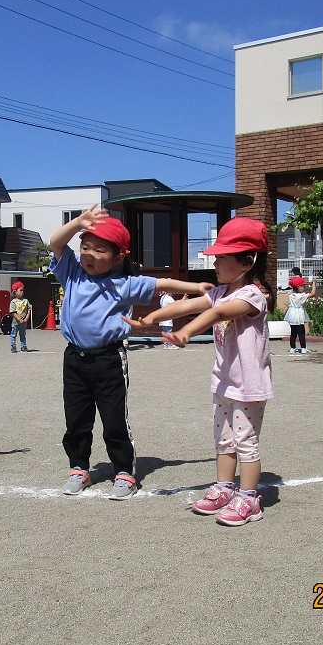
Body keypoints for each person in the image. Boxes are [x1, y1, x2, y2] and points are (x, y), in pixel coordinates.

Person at [50, 205, 211, 500]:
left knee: (114, 418)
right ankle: (78, 467)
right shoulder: (71, 272)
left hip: (108, 359)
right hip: (74, 358)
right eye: (86, 247)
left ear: (118, 257)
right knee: (76, 418)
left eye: (100, 251)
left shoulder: (123, 285)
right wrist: (77, 223)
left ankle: (124, 471)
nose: (89, 255)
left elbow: (162, 283)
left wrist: (197, 286)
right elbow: (56, 243)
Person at [125, 217, 274, 526]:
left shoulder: (252, 296)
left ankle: (248, 498)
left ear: (247, 262)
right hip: (224, 383)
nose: (215, 261)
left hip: (248, 386)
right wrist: (149, 318)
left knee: (245, 442)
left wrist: (187, 333)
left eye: (222, 257)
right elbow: (186, 306)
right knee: (223, 440)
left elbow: (216, 313)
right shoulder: (220, 290)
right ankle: (224, 488)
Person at [284, 274, 316, 354]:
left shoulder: (291, 295)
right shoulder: (302, 296)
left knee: (293, 333)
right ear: (298, 286)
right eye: (303, 286)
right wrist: (314, 283)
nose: (304, 288)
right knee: (301, 332)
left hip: (292, 314)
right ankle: (303, 348)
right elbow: (313, 294)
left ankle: (292, 348)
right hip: (299, 314)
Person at [9, 281, 31, 353]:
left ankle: (23, 346)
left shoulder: (25, 301)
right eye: (20, 290)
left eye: (23, 290)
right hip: (16, 322)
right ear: (15, 292)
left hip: (23, 322)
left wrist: (26, 319)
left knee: (23, 334)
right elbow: (13, 312)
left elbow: (29, 310)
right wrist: (19, 319)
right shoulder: (13, 302)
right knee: (13, 334)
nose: (22, 292)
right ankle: (13, 346)